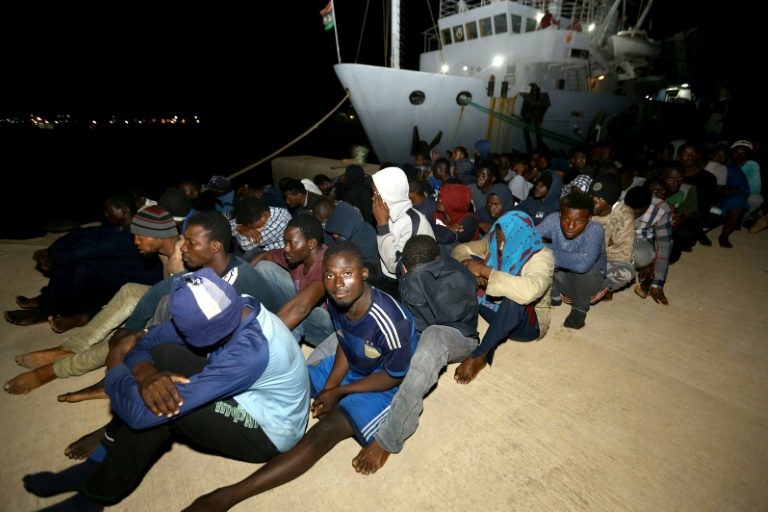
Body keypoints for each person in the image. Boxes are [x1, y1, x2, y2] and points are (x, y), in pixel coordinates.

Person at [22, 268, 310, 510]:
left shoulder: (249, 354)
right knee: (161, 358)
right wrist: (145, 372)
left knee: (163, 405)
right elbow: (144, 343)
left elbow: (139, 414)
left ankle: (95, 496)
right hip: (241, 382)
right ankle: (97, 461)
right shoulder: (227, 305)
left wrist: (115, 364)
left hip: (271, 428)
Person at [180, 242, 418, 511]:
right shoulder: (338, 300)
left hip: (381, 383)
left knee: (324, 432)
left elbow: (394, 376)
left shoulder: (391, 321)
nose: (338, 284)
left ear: (364, 273)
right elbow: (345, 342)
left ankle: (228, 496)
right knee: (287, 380)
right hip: (351, 363)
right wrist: (330, 386)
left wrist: (339, 392)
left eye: (347, 274)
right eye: (330, 275)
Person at [350, 235, 478, 474]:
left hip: (460, 337)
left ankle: (389, 437)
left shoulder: (455, 278)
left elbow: (441, 326)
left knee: (429, 344)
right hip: (421, 327)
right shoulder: (414, 269)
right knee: (373, 323)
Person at [451, 211, 554, 382]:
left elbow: (529, 291)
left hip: (525, 324)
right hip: (494, 309)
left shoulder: (541, 256)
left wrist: (485, 271)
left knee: (515, 298)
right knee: (463, 267)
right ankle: (457, 327)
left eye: (505, 240)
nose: (500, 246)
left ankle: (481, 354)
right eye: (498, 239)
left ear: (520, 235)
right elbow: (460, 249)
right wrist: (470, 265)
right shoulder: (494, 240)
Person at [537, 192, 606, 329]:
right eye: (565, 219)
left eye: (579, 221)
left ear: (589, 219)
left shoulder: (595, 229)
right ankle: (554, 295)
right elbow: (530, 237)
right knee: (537, 255)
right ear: (560, 215)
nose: (571, 226)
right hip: (564, 280)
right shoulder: (553, 219)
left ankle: (579, 309)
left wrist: (545, 250)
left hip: (589, 287)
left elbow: (582, 264)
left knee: (585, 267)